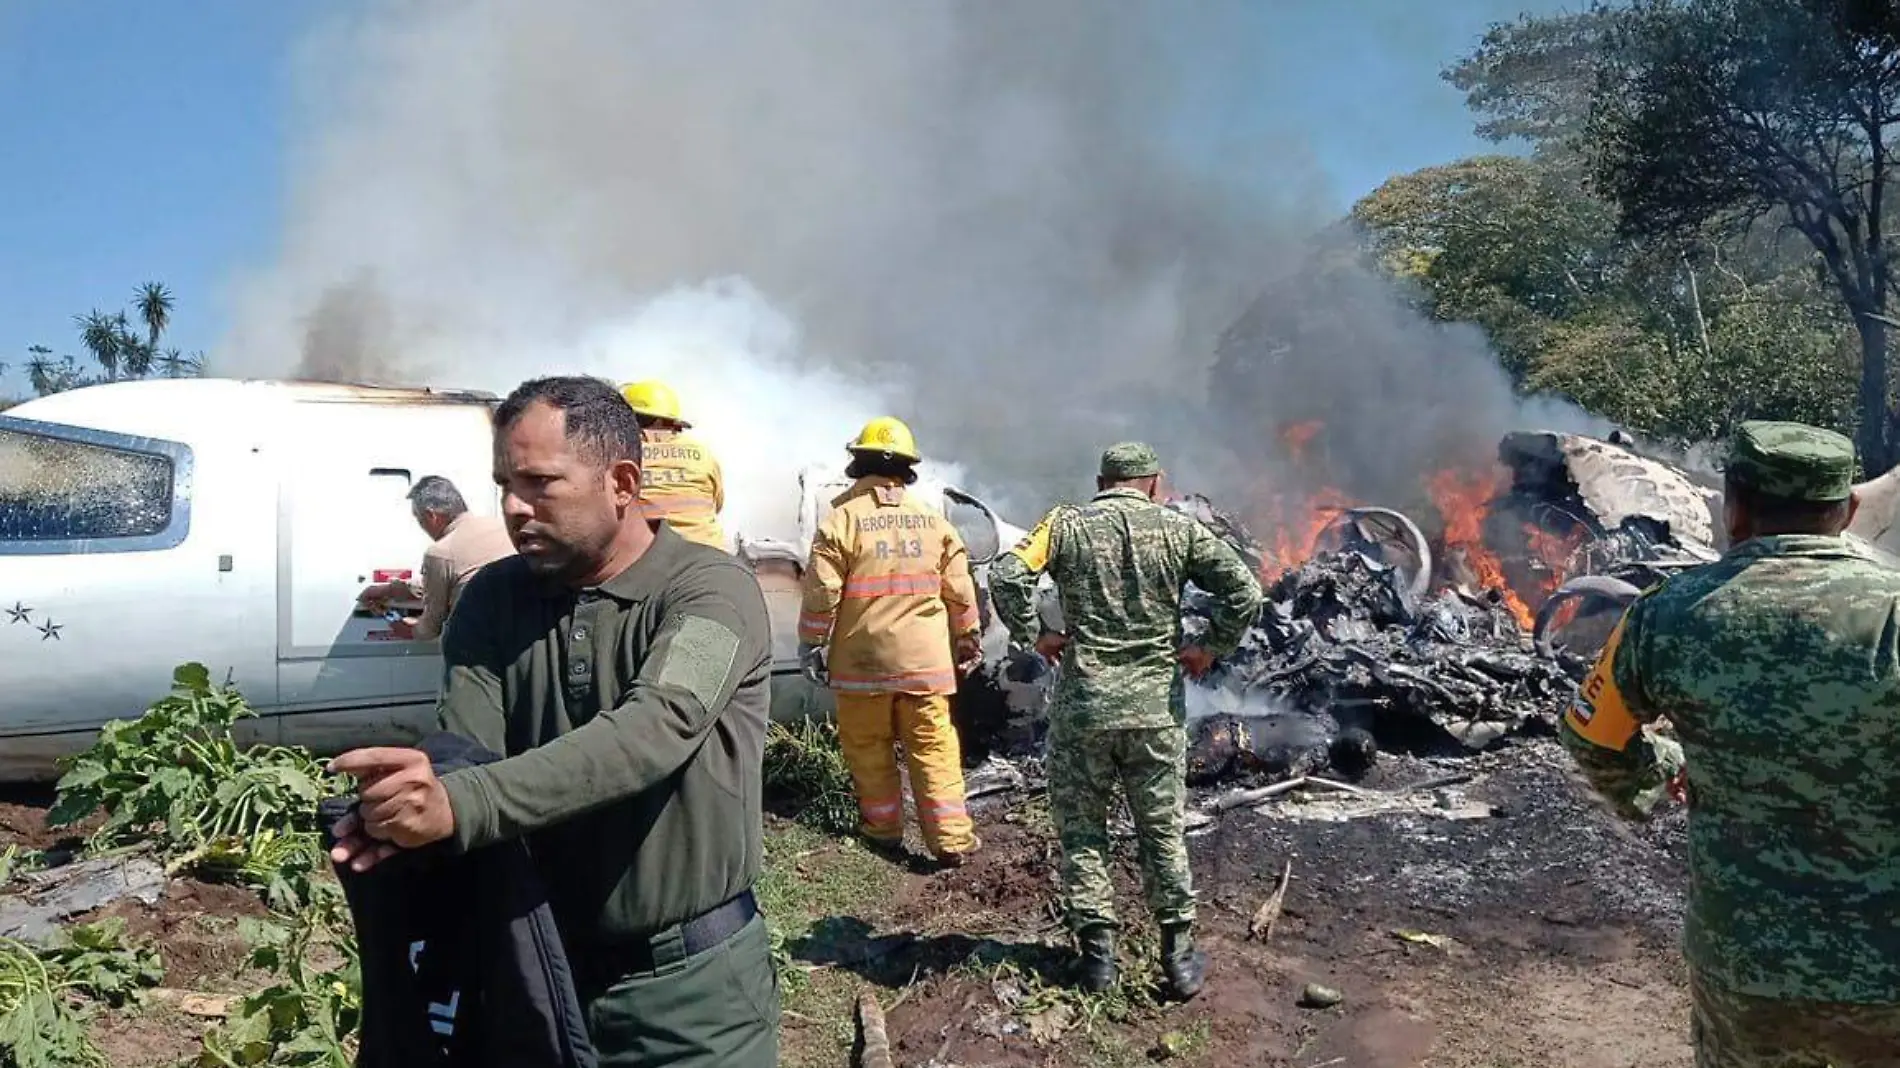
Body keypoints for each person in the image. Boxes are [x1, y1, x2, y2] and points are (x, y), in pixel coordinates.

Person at [327, 375, 779, 1068]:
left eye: (540, 483)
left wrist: (460, 802)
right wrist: (403, 814)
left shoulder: (712, 592)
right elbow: (466, 753)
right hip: (532, 973)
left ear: (621, 483)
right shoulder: (491, 602)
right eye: (505, 483)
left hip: (690, 999)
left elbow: (656, 728)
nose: (514, 507)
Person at [1561, 419, 1900, 1067]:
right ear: (1850, 509)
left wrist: (1664, 767)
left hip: (1745, 966)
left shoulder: (1667, 612)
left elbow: (1591, 740)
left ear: (1733, 505)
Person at [988, 442, 1261, 1001]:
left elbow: (1006, 574)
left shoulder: (1065, 523)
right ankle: (1179, 957)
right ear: (1155, 483)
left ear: (1101, 481)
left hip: (1085, 705)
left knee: (1083, 832)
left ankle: (1098, 960)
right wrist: (1210, 648)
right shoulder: (1178, 529)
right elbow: (1245, 589)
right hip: (1154, 710)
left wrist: (1036, 635)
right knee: (1160, 828)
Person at [797, 416, 984, 867]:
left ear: (858, 465)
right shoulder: (933, 522)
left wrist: (812, 644)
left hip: (862, 665)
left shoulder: (840, 521)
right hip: (926, 666)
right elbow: (960, 590)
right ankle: (952, 841)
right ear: (907, 469)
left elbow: (823, 594)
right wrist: (968, 639)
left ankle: (882, 831)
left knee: (868, 748)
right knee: (935, 748)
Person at [359, 475, 516, 641]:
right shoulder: (501, 528)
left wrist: (395, 621)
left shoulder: (440, 552)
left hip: (482, 650)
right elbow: (446, 580)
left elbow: (429, 629)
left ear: (431, 516)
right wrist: (389, 590)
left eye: (419, 520)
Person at [620, 379, 728, 551]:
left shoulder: (619, 453)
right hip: (711, 558)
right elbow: (717, 504)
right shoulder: (702, 453)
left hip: (649, 559)